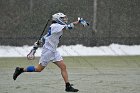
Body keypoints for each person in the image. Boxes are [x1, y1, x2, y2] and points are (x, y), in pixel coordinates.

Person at [13, 12, 89, 92]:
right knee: (39, 69)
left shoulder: (55, 26)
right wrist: (79, 21)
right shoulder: (55, 26)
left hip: (54, 51)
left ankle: (67, 86)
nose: (64, 19)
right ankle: (20, 70)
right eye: (62, 18)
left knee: (63, 67)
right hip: (48, 52)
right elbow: (69, 27)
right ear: (58, 19)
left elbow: (45, 37)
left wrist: (36, 45)